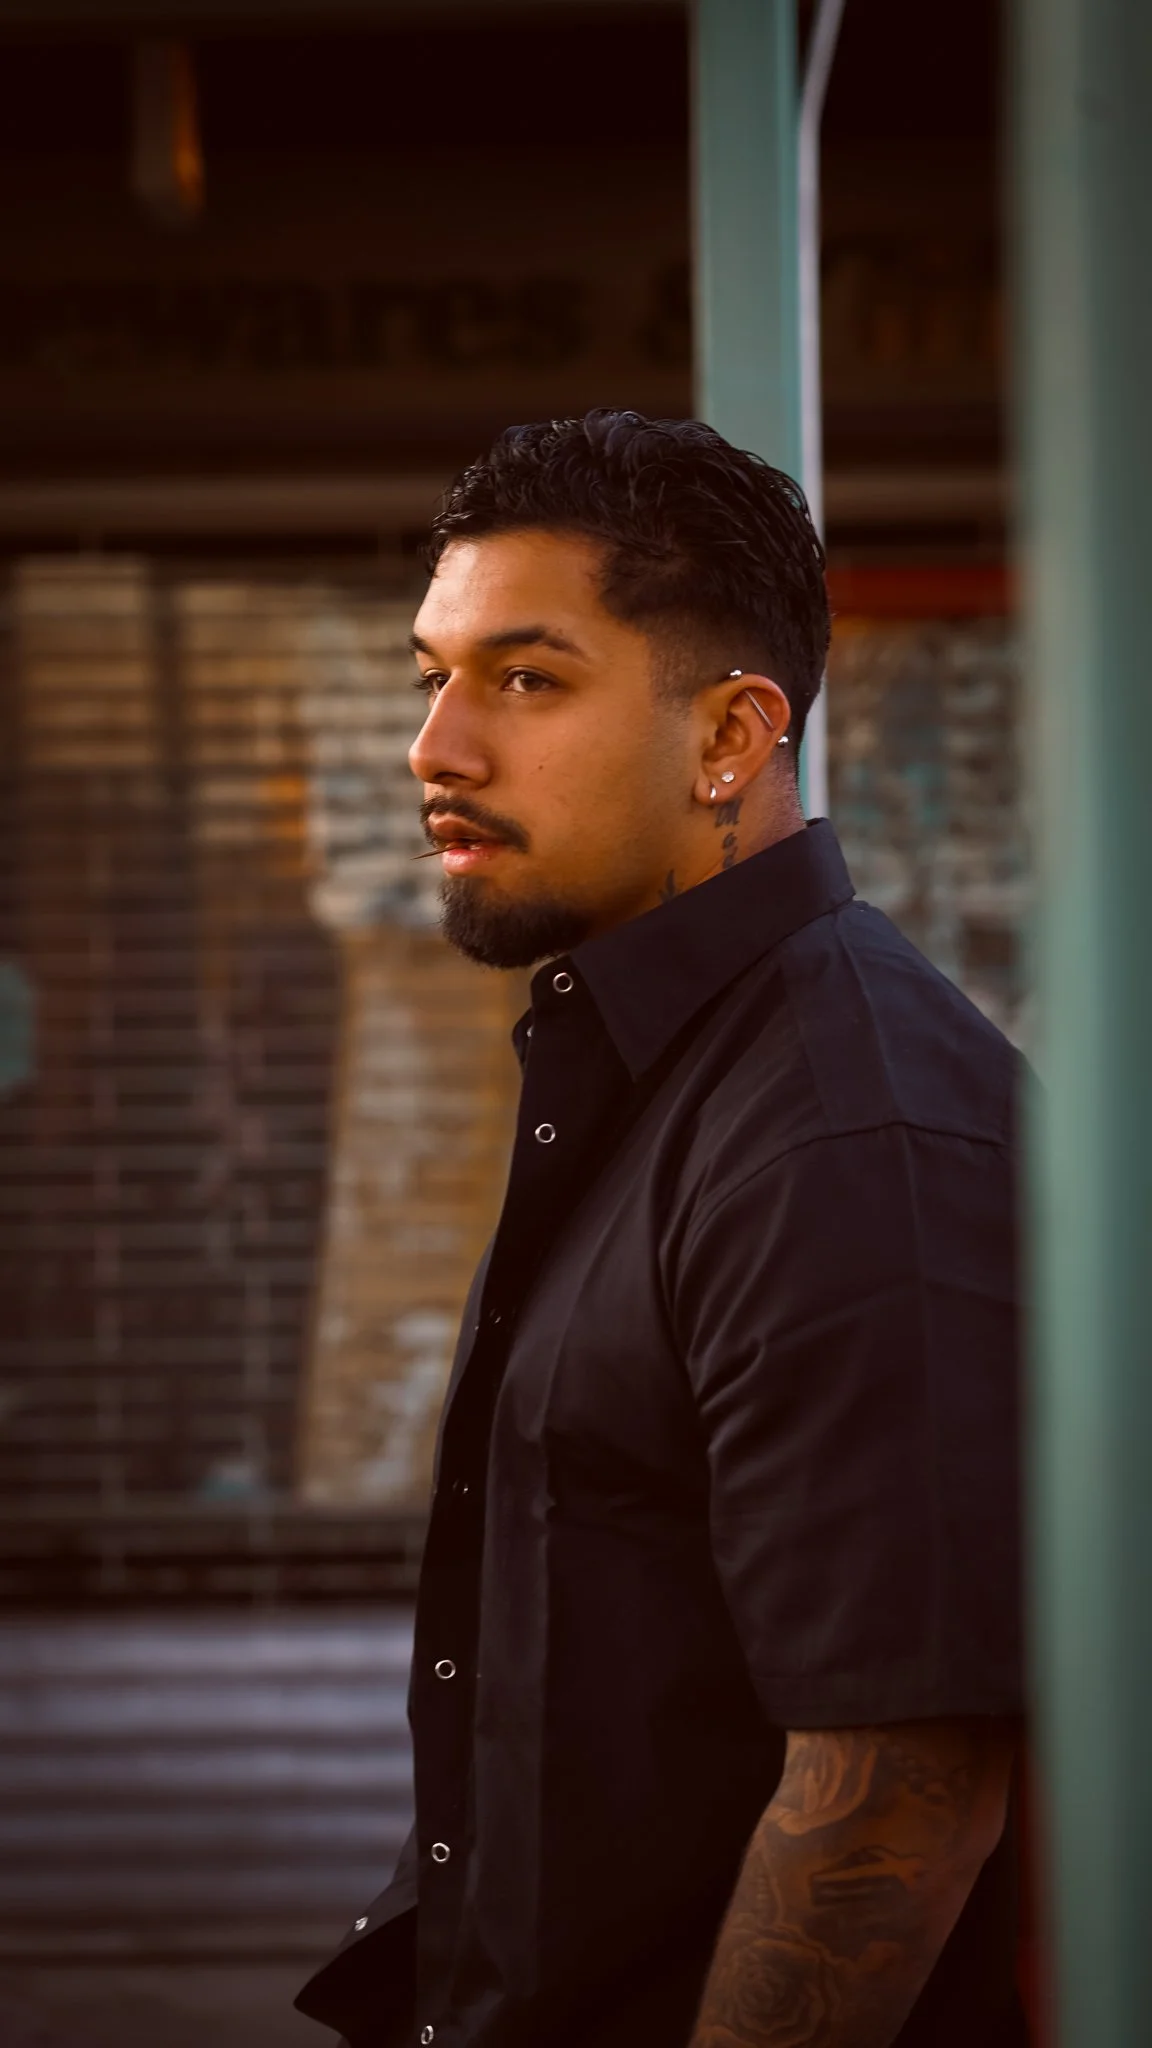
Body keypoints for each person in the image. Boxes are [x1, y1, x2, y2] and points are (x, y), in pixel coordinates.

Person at [296, 410, 1027, 2048]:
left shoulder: (845, 1132)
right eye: (434, 674)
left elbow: (899, 1801)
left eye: (526, 679)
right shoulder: (660, 1067)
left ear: (731, 735)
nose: (436, 748)